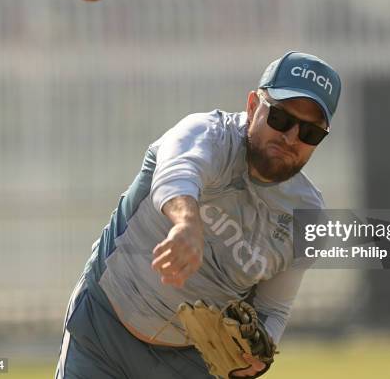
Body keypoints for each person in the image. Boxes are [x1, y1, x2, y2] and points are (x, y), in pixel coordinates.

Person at [55, 51, 342, 379]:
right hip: (105, 327)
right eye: (280, 118)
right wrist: (187, 222)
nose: (291, 137)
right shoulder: (209, 133)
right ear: (252, 106)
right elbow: (178, 172)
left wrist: (259, 357)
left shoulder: (308, 217)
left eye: (310, 133)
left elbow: (273, 309)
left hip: (191, 363)